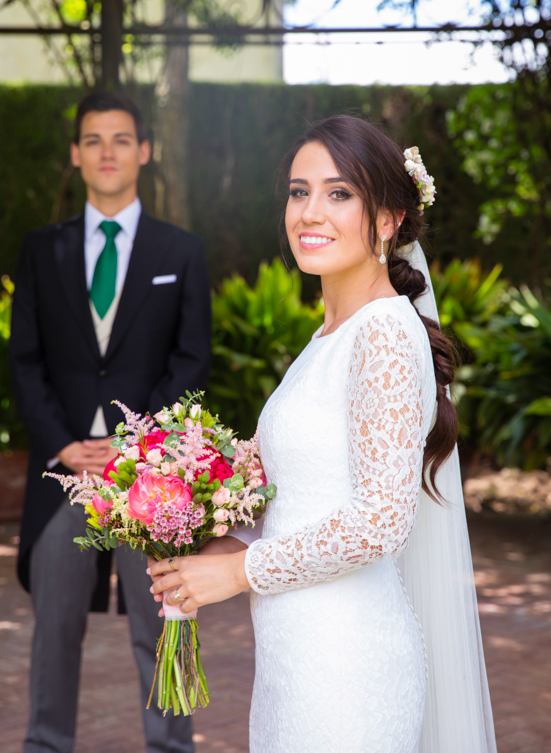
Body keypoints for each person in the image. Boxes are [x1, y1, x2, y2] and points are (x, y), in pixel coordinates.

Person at [149, 116, 497, 753]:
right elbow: (306, 497)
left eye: (339, 194)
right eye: (297, 190)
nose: (310, 212)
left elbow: (379, 523)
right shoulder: (327, 338)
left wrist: (239, 573)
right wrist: (217, 542)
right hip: (296, 655)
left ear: (390, 218)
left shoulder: (385, 335)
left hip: (348, 667)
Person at [10, 91, 212, 753]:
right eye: (93, 140)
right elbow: (25, 360)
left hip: (148, 478)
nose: (107, 152)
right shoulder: (42, 251)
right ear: (75, 154)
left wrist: (134, 447)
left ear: (144, 152)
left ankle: (173, 747)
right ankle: (45, 745)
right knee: (54, 631)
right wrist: (65, 445)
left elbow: (191, 360)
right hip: (61, 474)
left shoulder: (181, 251)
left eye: (121, 139)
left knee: (161, 625)